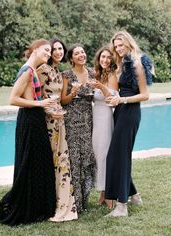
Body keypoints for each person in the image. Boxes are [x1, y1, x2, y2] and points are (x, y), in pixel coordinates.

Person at [0, 39, 57, 226]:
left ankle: (37, 207)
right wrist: (40, 104)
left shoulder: (33, 70)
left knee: (37, 162)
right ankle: (26, 206)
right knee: (31, 163)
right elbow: (13, 99)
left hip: (35, 118)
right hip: (29, 121)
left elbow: (33, 97)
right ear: (35, 49)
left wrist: (46, 107)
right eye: (46, 50)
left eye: (50, 51)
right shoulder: (27, 71)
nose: (48, 53)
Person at [104, 30, 153, 217]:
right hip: (120, 111)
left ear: (128, 43)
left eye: (121, 45)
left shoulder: (138, 63)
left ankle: (122, 206)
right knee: (118, 155)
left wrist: (122, 101)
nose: (118, 49)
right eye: (115, 46)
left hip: (130, 112)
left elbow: (145, 95)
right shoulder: (123, 64)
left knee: (118, 156)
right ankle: (134, 195)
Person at [37, 38, 78, 221]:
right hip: (48, 121)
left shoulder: (58, 72)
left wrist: (73, 93)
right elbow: (34, 96)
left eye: (61, 48)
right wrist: (48, 110)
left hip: (60, 120)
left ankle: (62, 203)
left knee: (61, 160)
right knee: (51, 160)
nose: (58, 52)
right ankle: (49, 203)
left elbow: (61, 100)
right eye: (55, 49)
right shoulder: (42, 70)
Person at [61, 44, 96, 213]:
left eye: (82, 51)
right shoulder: (66, 75)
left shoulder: (93, 73)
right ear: (71, 58)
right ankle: (76, 203)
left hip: (89, 121)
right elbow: (63, 101)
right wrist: (73, 92)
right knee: (75, 161)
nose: (81, 54)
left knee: (87, 159)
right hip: (72, 122)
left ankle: (86, 198)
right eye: (77, 53)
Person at [91, 45, 118, 209]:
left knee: (105, 154)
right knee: (97, 154)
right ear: (98, 58)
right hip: (95, 116)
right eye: (103, 57)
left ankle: (109, 194)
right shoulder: (96, 74)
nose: (105, 60)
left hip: (106, 116)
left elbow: (112, 98)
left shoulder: (112, 76)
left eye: (108, 57)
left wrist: (101, 87)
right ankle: (102, 192)